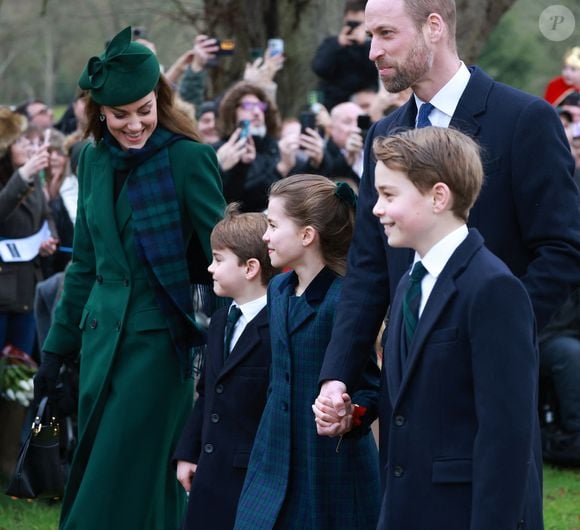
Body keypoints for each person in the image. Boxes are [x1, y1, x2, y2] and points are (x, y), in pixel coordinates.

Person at [318, 0, 580, 443]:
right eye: (370, 36)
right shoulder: (384, 136)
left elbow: (562, 250)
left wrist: (496, 335)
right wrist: (337, 375)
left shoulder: (523, 120)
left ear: (433, 27)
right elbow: (368, 267)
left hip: (489, 387)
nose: (372, 52)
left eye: (386, 34)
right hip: (403, 389)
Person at [33, 26, 225, 530]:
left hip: (159, 349)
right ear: (99, 112)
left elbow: (219, 255)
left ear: (159, 97)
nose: (136, 123)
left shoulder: (189, 158)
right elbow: (85, 266)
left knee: (112, 487)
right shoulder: (90, 159)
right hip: (98, 345)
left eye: (145, 108)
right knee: (126, 481)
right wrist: (55, 351)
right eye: (121, 115)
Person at [316, 127, 543, 529]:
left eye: (389, 195)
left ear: (439, 196)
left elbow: (506, 436)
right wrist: (356, 414)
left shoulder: (493, 288)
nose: (375, 210)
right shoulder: (409, 282)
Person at [234, 175, 381, 530]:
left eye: (272, 224)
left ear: (307, 235)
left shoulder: (344, 299)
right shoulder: (280, 288)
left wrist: (349, 414)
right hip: (273, 456)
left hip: (328, 468)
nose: (265, 235)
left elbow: (371, 388)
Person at [173, 203, 278, 530]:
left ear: (250, 268)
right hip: (210, 474)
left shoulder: (278, 325)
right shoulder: (220, 320)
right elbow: (207, 392)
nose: (209, 268)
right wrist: (188, 452)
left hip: (251, 476)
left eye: (218, 260)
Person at [0, 107, 58, 357]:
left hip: (27, 288)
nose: (26, 146)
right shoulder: (21, 180)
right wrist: (23, 175)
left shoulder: (31, 181)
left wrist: (49, 239)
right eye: (19, 141)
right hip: (2, 292)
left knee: (21, 370)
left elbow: (46, 216)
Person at [312, 0, 378, 110]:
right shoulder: (331, 43)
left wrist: (365, 43)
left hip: (364, 105)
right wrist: (338, 44)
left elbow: (375, 71)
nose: (353, 27)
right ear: (344, 19)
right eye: (351, 23)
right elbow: (320, 69)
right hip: (334, 104)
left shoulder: (372, 45)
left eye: (358, 24)